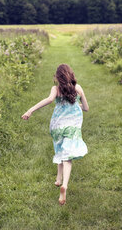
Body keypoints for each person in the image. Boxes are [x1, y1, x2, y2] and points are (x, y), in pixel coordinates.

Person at [22, 64, 89, 205]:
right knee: (67, 156)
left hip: (57, 126)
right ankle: (64, 184)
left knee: (59, 149)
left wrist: (30, 110)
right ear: (71, 75)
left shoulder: (56, 89)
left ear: (58, 77)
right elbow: (86, 108)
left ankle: (58, 179)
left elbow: (49, 100)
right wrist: (77, 106)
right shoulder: (78, 88)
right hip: (72, 126)